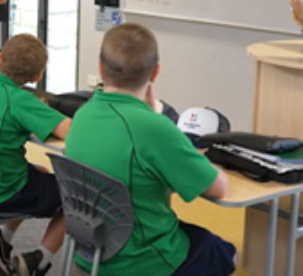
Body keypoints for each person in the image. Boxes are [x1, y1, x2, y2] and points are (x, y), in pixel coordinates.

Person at [65, 23, 235, 276]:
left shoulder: (83, 114)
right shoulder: (156, 129)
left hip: (90, 248)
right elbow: (218, 187)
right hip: (140, 260)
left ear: (99, 68)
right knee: (225, 252)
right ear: (155, 73)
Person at [0, 34, 70, 276]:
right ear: (36, 76)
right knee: (76, 198)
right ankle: (40, 259)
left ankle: (1, 238)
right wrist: (39, 108)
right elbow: (68, 131)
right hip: (0, 191)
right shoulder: (20, 100)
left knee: (36, 172)